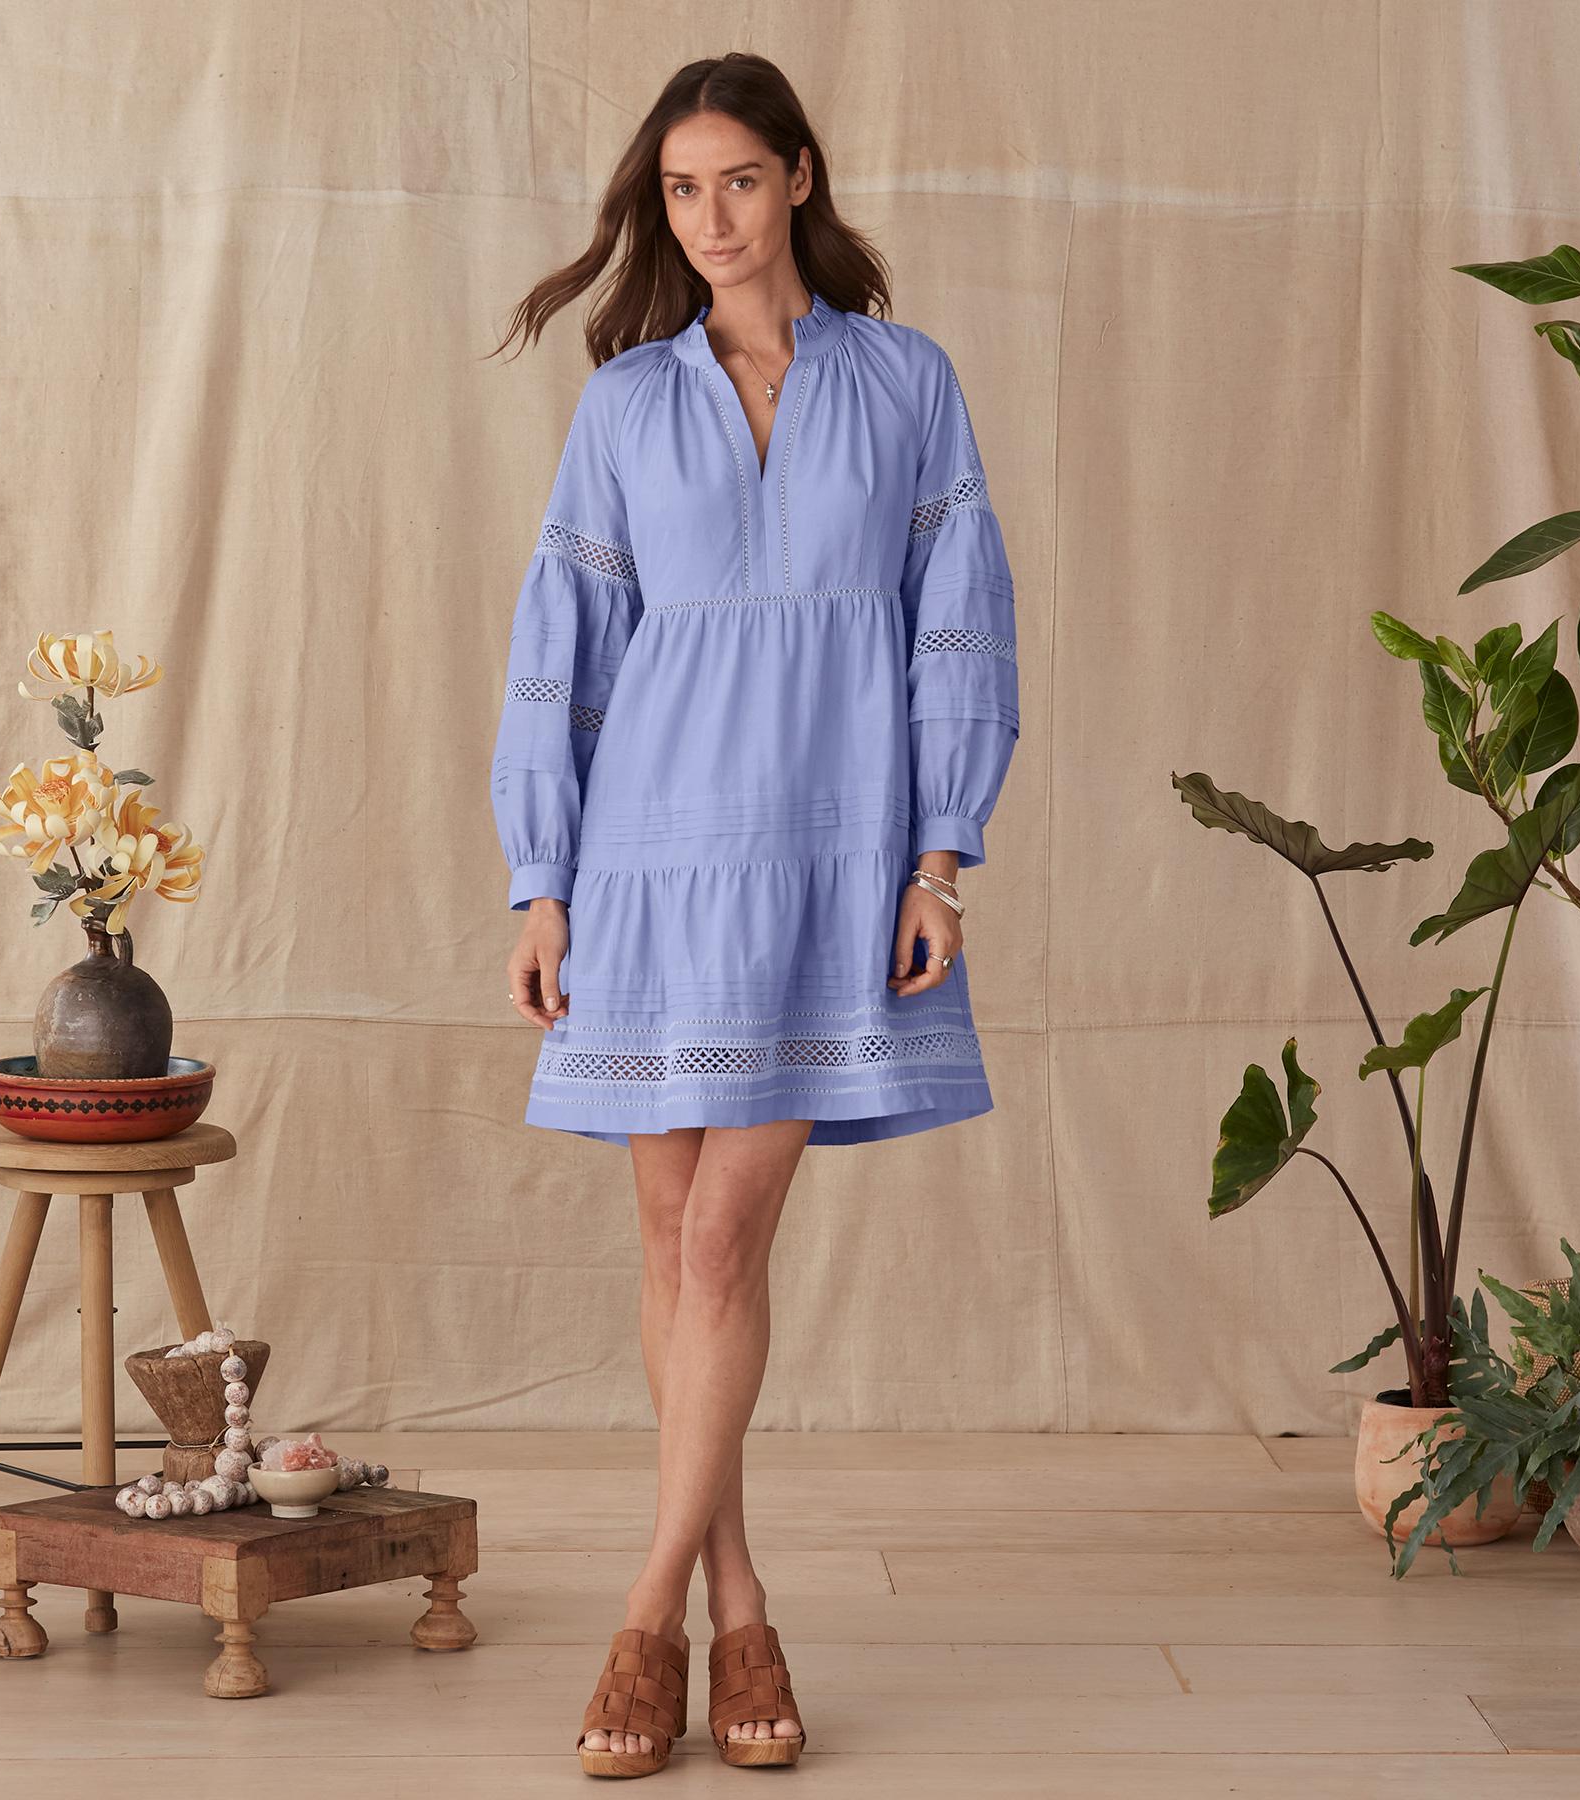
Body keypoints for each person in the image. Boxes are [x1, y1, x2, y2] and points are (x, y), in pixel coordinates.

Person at [487, 50, 1018, 1779]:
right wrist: (543, 880)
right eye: (679, 190)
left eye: (735, 180)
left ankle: (645, 1615)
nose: (708, 219)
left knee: (723, 1240)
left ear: (797, 176)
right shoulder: (628, 404)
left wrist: (939, 858)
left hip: (832, 859)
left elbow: (960, 624)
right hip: (648, 861)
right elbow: (563, 651)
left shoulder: (909, 381)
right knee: (671, 1242)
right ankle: (740, 1607)